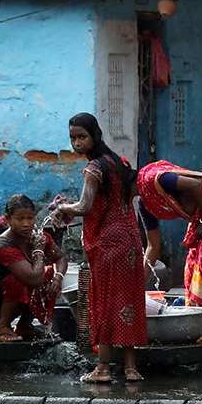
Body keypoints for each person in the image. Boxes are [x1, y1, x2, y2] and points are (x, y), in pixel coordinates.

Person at [50, 112, 149, 383]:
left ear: (95, 135)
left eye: (81, 137)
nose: (77, 143)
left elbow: (85, 207)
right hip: (130, 242)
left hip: (108, 245)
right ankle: (130, 369)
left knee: (105, 304)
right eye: (73, 138)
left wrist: (62, 209)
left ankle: (103, 369)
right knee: (128, 303)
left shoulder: (94, 169)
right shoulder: (119, 163)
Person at [136, 161, 202, 341]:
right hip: (201, 213)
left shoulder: (153, 180)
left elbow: (194, 184)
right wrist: (136, 288)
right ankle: (200, 329)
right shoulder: (144, 203)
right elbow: (153, 247)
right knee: (192, 267)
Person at [0, 193, 66, 342]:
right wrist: (38, 251)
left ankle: (25, 325)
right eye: (20, 219)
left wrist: (58, 278)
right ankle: (2, 326)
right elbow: (33, 279)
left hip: (6, 294)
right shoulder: (3, 246)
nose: (26, 224)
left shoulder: (37, 236)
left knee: (49, 273)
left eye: (30, 218)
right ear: (8, 220)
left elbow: (60, 258)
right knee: (21, 279)